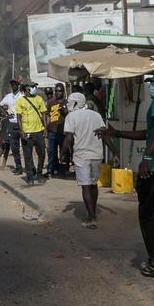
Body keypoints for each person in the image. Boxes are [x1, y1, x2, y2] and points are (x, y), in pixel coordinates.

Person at [97, 70, 154, 289]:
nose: (152, 86)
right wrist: (118, 133)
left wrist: (147, 157)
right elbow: (150, 132)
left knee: (146, 211)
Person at [62, 92, 112, 228]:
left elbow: (69, 138)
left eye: (69, 102)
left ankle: (92, 217)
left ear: (76, 103)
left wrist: (63, 153)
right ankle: (93, 212)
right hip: (97, 154)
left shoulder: (71, 117)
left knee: (85, 186)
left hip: (81, 156)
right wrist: (115, 153)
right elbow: (105, 134)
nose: (67, 105)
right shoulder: (96, 115)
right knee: (93, 185)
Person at [14, 83, 48, 184]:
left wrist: (45, 128)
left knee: (42, 153)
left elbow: (44, 114)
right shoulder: (20, 101)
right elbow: (19, 117)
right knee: (28, 156)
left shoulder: (39, 99)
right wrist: (21, 131)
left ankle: (39, 173)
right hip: (27, 132)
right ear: (25, 90)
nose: (32, 90)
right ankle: (30, 177)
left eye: (33, 88)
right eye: (30, 89)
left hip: (39, 131)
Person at [0, 78, 24, 174]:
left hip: (21, 123)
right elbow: (0, 106)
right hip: (12, 123)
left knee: (26, 146)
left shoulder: (22, 96)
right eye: (12, 84)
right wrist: (6, 114)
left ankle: (30, 167)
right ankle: (18, 167)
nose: (13, 86)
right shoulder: (8, 97)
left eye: (15, 84)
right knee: (14, 147)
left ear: (18, 85)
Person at [46, 83, 66, 177]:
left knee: (63, 151)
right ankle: (51, 169)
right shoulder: (51, 102)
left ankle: (62, 170)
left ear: (63, 92)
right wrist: (46, 127)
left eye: (60, 91)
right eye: (57, 91)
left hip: (63, 132)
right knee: (51, 152)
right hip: (52, 131)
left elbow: (69, 115)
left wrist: (64, 110)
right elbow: (46, 114)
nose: (59, 93)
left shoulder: (66, 102)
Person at [0, 103, 14, 171]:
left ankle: (3, 164)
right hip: (2, 134)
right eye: (5, 105)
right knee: (1, 149)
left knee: (7, 149)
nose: (7, 106)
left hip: (8, 134)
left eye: (7, 105)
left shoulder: (8, 114)